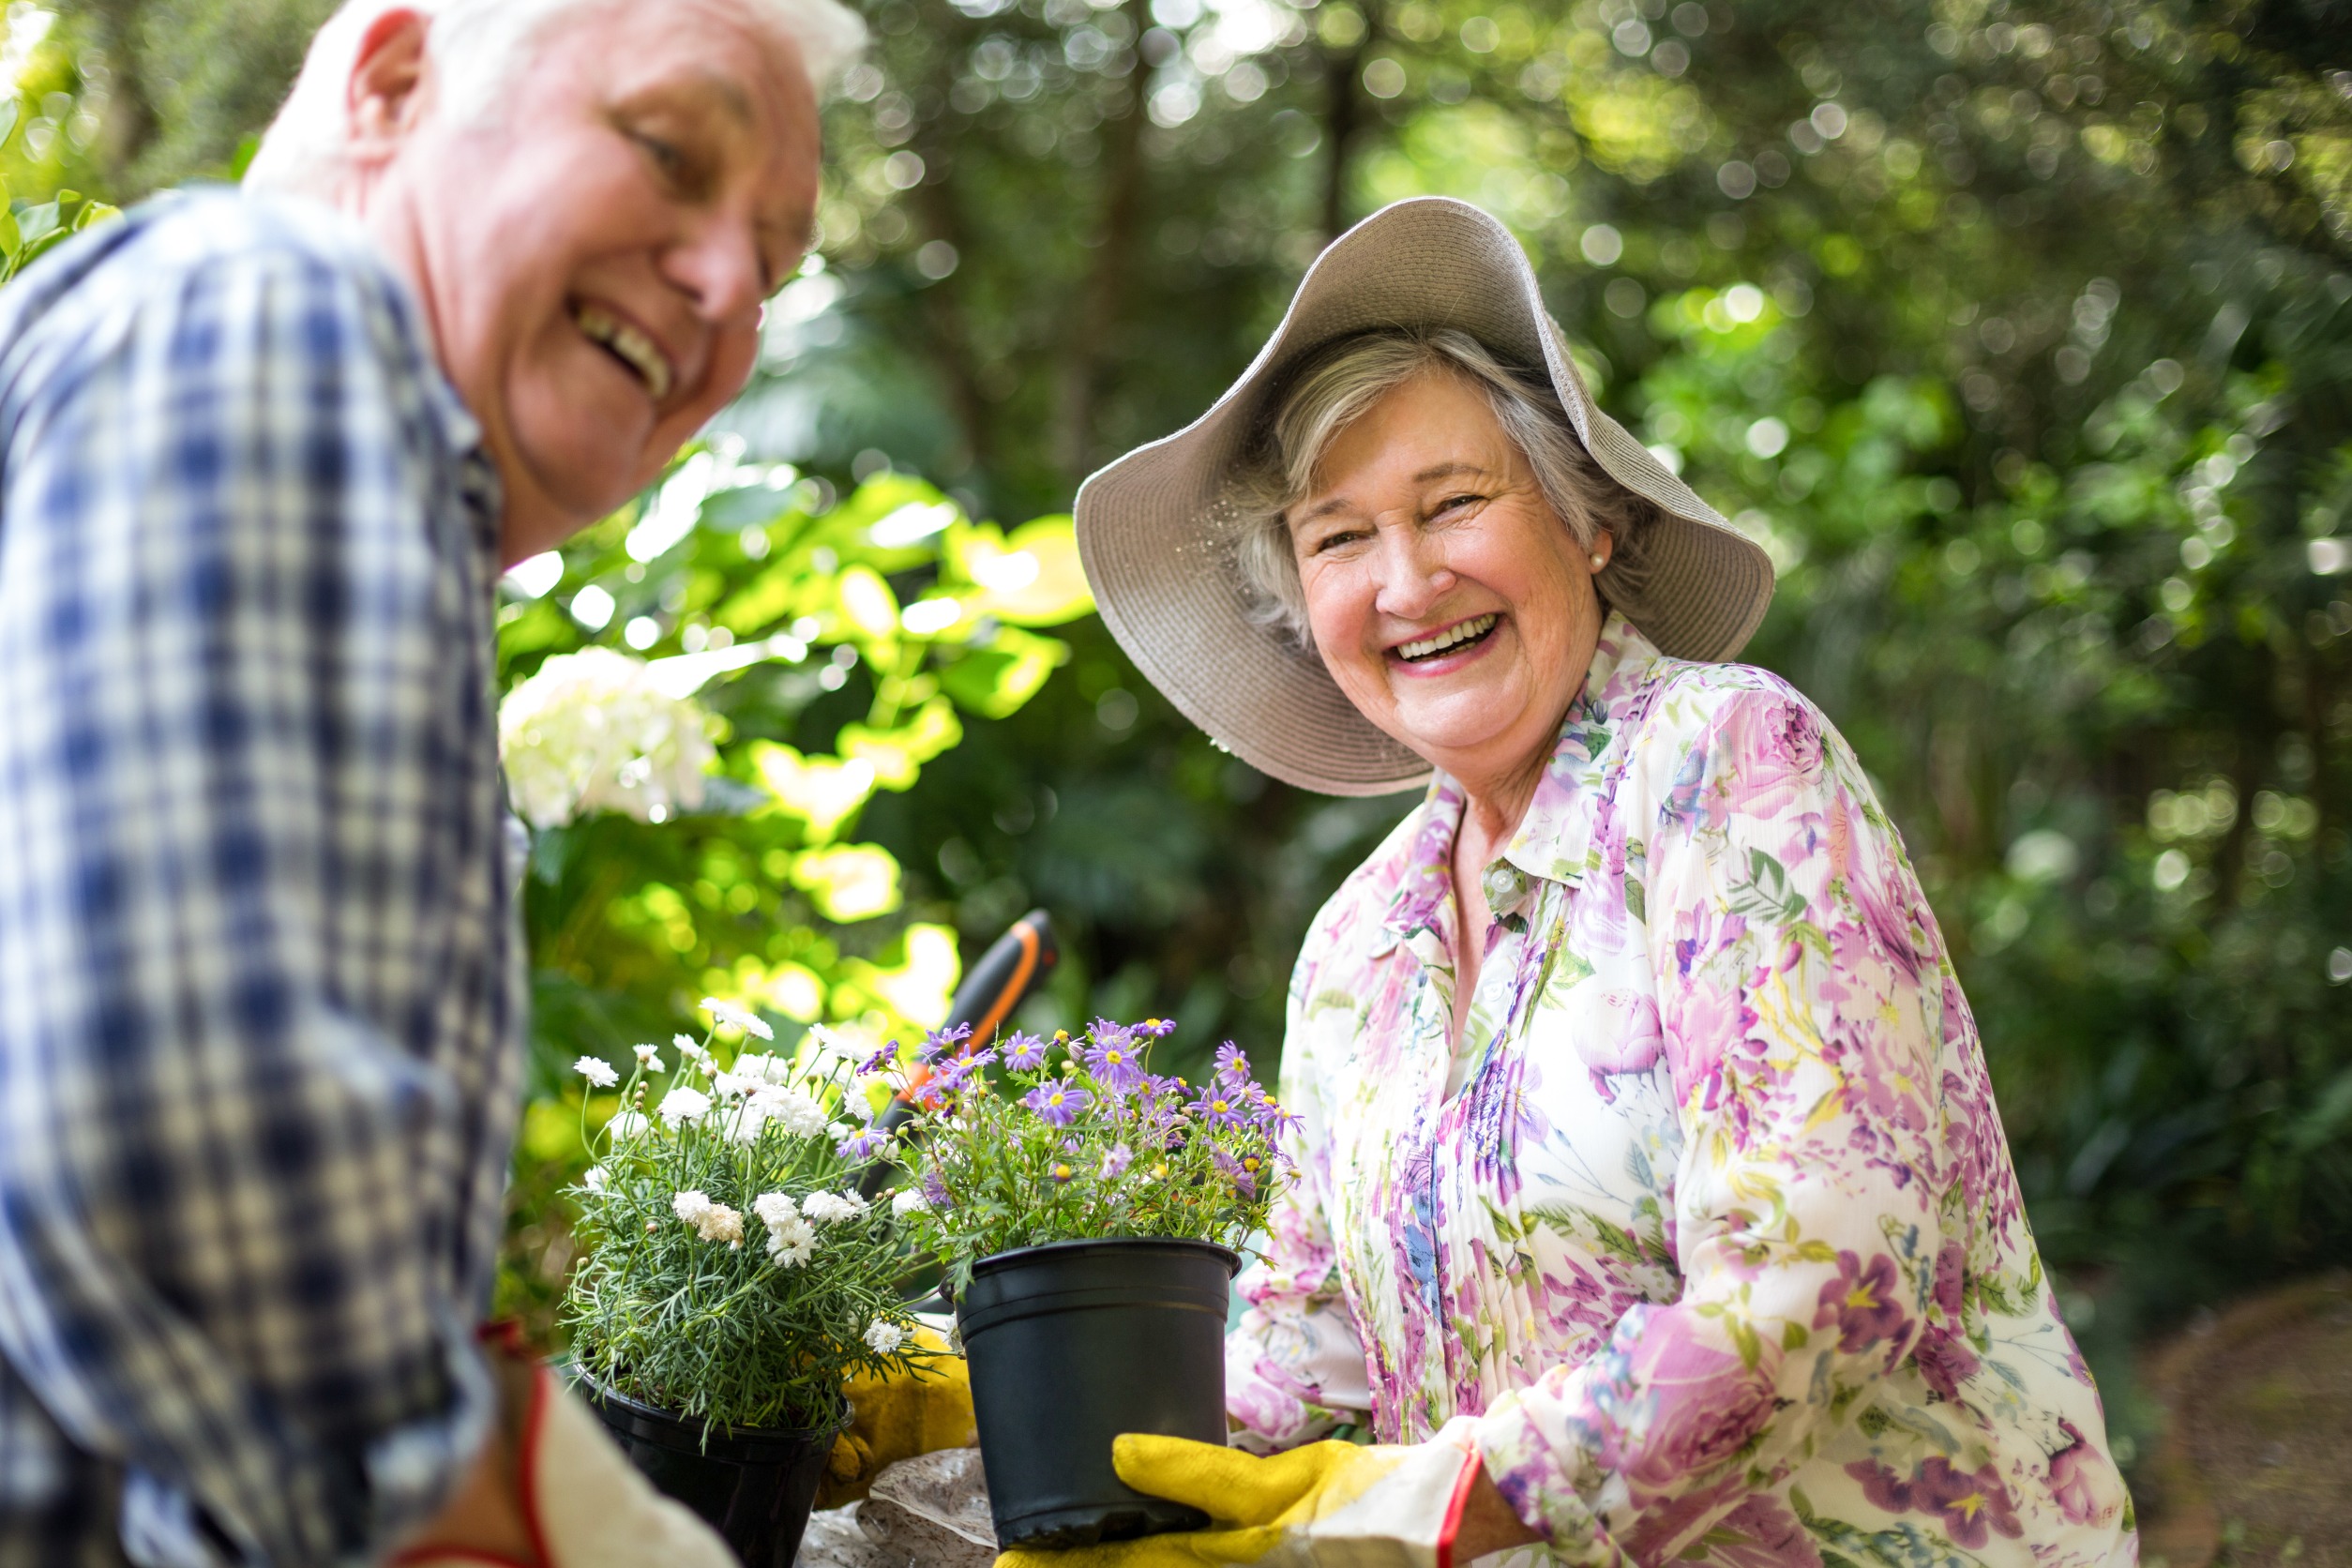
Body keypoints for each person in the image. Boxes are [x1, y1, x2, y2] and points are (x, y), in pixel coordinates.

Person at [1036, 198, 2137, 1567]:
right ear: (1302, 606)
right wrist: (1013, 1417)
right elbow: (1305, 1355)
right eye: (1337, 539)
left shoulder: (1729, 764)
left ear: (1592, 522)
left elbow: (1825, 1274)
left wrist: (1444, 1502)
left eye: (1453, 504)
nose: (1407, 581)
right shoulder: (1358, 945)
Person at [0, 0, 859, 1562]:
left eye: (776, 266)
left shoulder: (372, 466)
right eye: (668, 150)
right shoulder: (279, 314)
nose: (731, 289)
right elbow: (173, 1161)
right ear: (395, 84)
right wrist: (488, 1487)